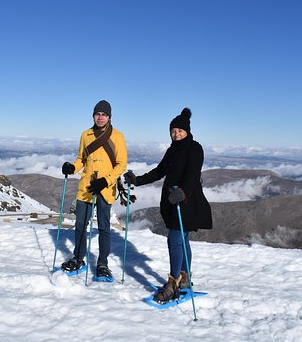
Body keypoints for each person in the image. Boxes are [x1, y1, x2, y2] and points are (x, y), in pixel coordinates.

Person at [123, 108, 212, 303]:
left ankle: (173, 284)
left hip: (187, 200)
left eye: (180, 130)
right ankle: (185, 278)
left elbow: (192, 174)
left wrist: (182, 192)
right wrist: (137, 180)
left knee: (175, 239)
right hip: (173, 200)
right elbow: (159, 171)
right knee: (183, 239)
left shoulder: (195, 148)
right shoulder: (172, 150)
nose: (176, 134)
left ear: (187, 131)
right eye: (173, 131)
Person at [61, 100, 128, 280]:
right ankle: (78, 258)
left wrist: (106, 181)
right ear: (93, 115)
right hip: (87, 186)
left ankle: (102, 264)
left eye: (104, 114)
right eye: (97, 114)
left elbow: (122, 164)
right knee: (81, 224)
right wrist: (71, 168)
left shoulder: (117, 136)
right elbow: (81, 160)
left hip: (105, 188)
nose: (100, 117)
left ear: (109, 117)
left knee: (104, 227)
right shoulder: (86, 135)